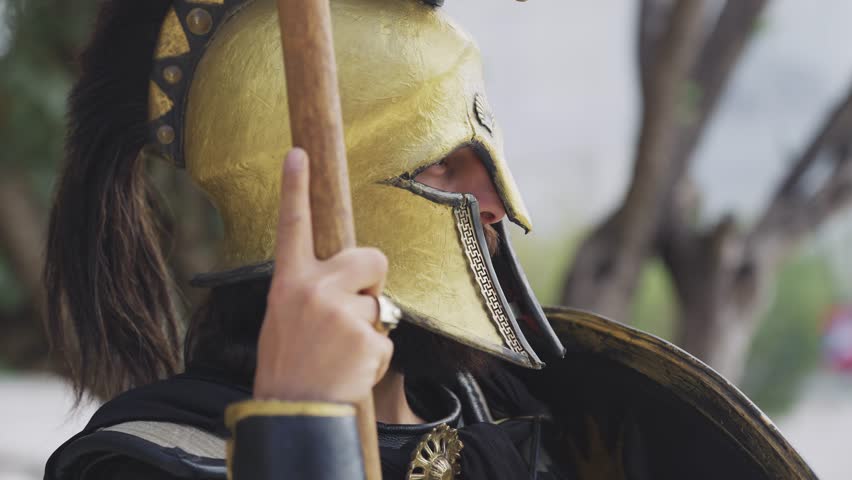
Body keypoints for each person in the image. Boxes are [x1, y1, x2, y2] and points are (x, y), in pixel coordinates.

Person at [43, 1, 816, 479]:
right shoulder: (146, 462)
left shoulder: (554, 433)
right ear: (300, 205)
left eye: (489, 160)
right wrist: (302, 424)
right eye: (442, 165)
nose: (494, 205)